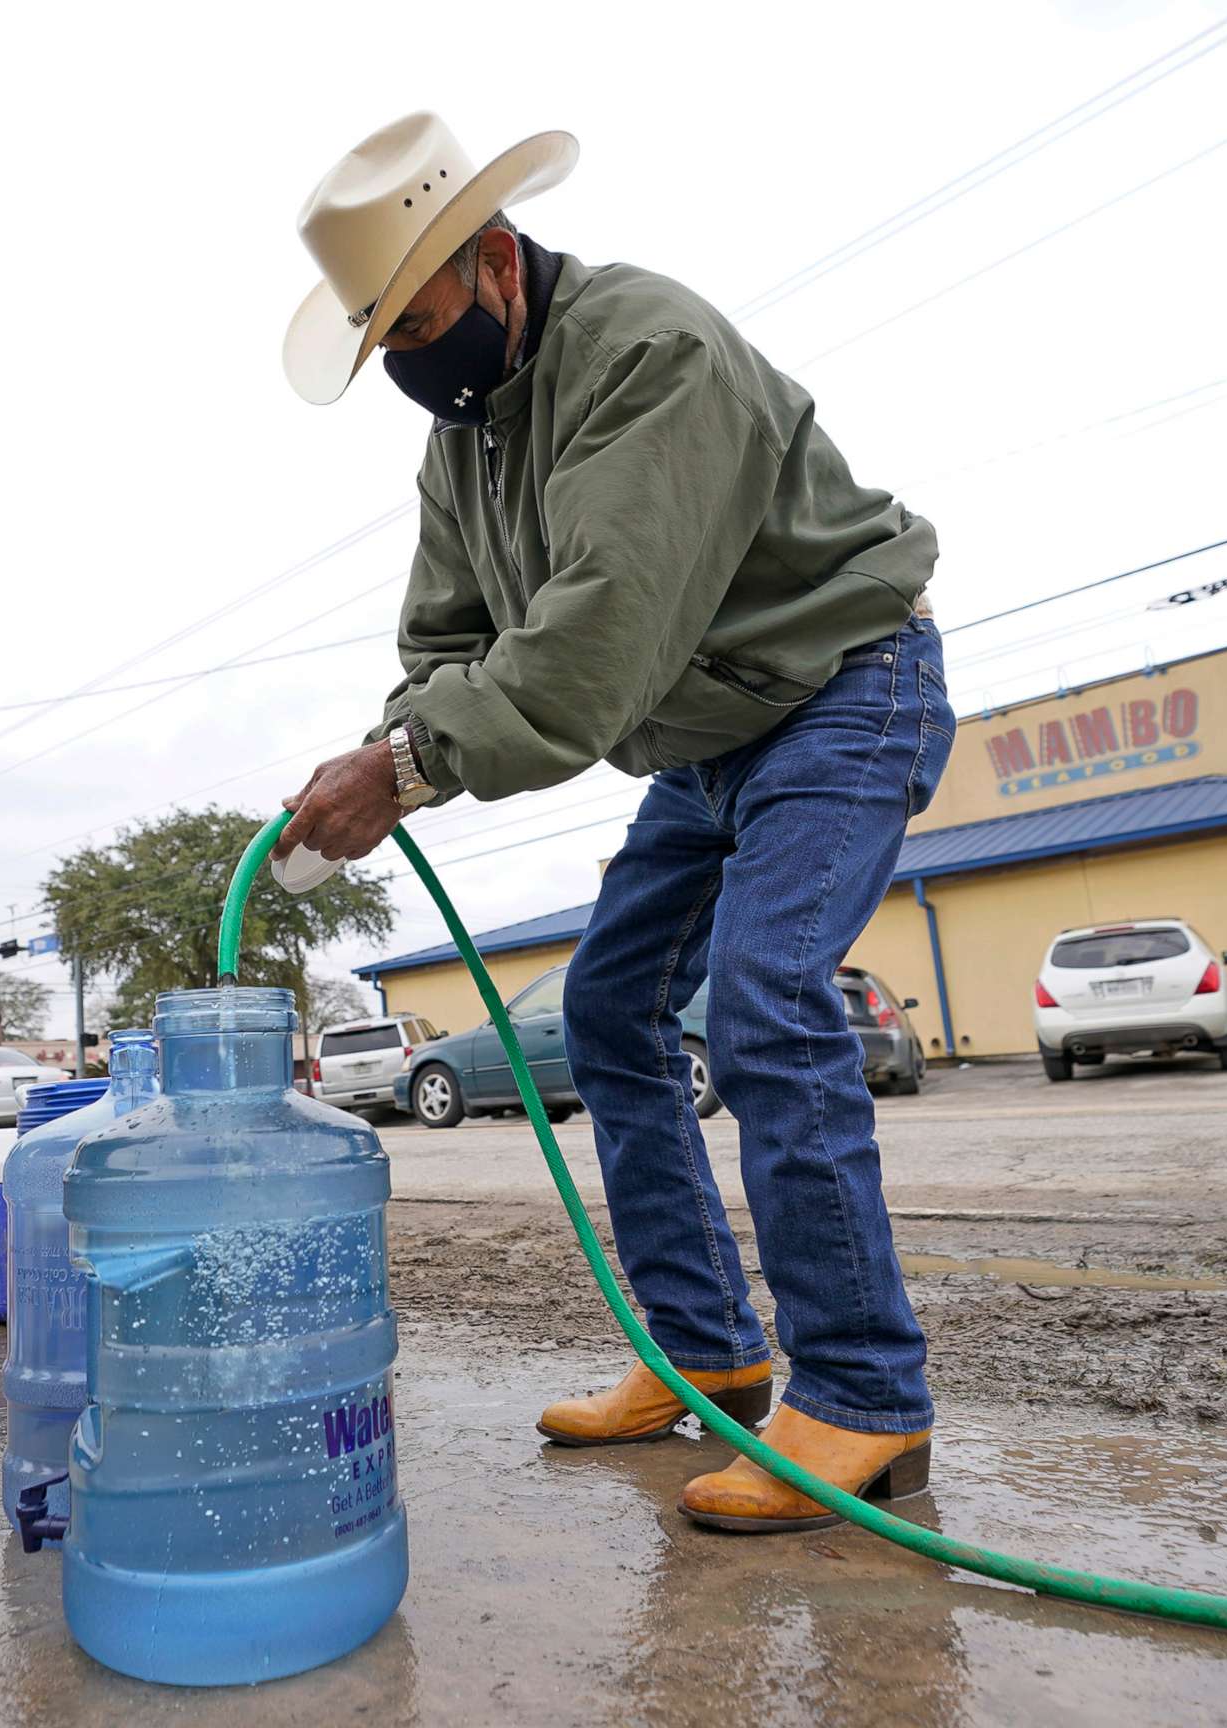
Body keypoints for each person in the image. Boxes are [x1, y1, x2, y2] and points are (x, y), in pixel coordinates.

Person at [275, 114, 954, 1536]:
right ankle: (708, 1351)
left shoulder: (651, 353)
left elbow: (592, 646)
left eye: (422, 318)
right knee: (605, 1020)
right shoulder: (464, 447)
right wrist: (400, 738)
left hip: (840, 689)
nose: (409, 359)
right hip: (706, 746)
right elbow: (444, 640)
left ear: (501, 260)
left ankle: (869, 1403)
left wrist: (400, 770)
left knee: (764, 1000)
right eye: (381, 339)